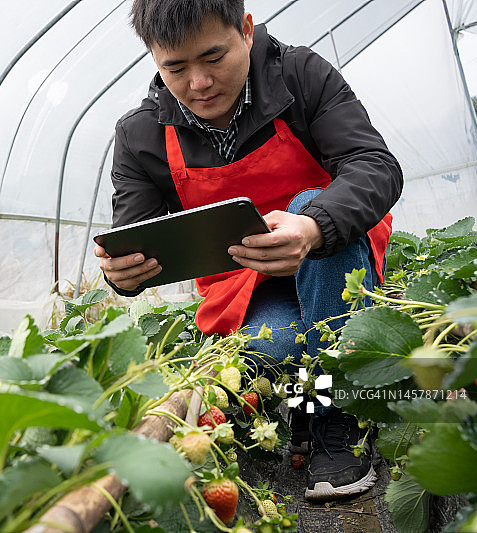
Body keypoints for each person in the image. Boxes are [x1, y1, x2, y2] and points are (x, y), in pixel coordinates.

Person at [95, 0, 403, 501]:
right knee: (271, 348)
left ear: (245, 29)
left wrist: (312, 226)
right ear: (154, 58)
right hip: (245, 285)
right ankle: (306, 401)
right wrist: (122, 272)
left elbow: (375, 165)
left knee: (311, 201)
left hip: (331, 259)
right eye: (175, 67)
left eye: (214, 58)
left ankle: (338, 418)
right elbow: (133, 234)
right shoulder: (140, 135)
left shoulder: (300, 76)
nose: (198, 83)